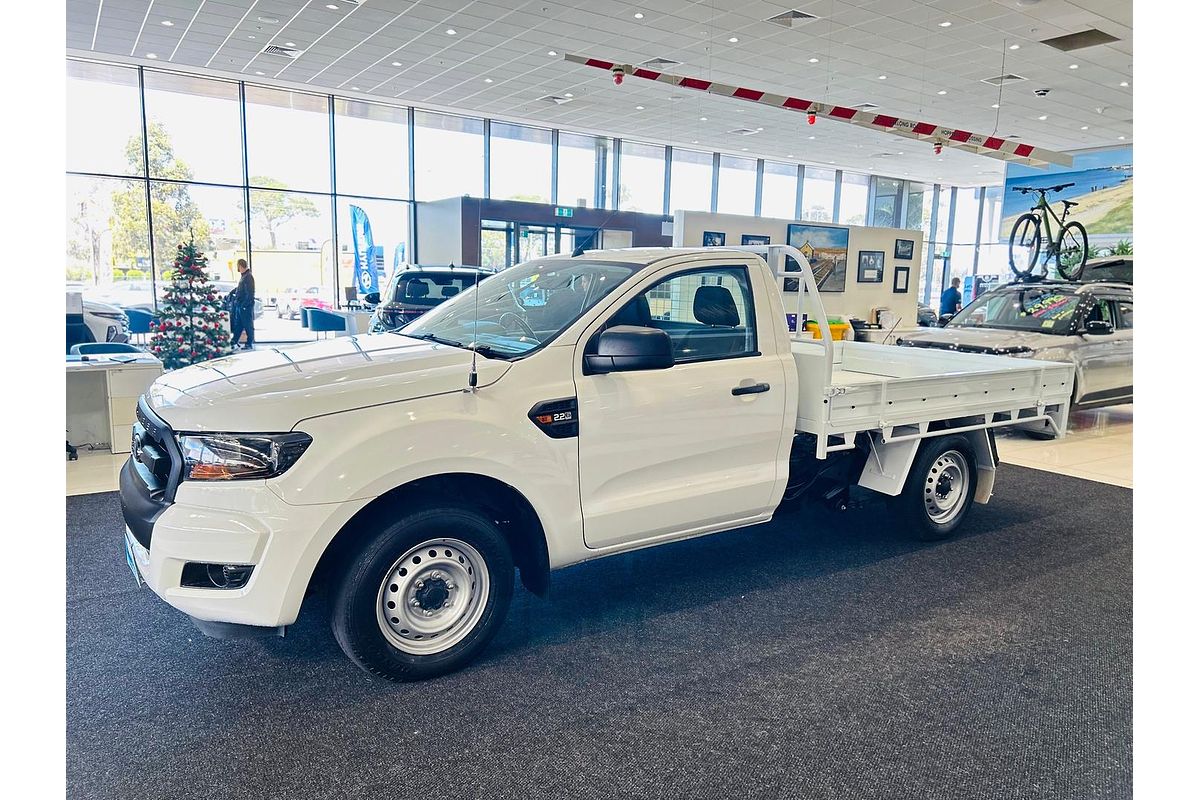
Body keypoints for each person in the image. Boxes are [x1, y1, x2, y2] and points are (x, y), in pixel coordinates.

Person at [230, 258, 256, 349]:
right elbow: (241, 289)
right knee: (239, 324)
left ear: (241, 266)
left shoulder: (248, 277)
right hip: (241, 305)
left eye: (238, 266)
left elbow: (250, 292)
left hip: (245, 306)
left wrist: (244, 305)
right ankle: (234, 341)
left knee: (247, 324)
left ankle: (249, 343)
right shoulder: (244, 276)